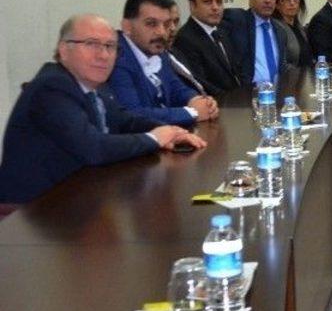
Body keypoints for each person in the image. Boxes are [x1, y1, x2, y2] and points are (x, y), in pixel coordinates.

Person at [0, 14, 206, 203]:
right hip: (33, 210)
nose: (104, 55)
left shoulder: (94, 83)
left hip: (79, 195)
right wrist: (154, 138)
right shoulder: (52, 87)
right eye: (91, 44)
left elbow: (124, 120)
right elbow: (94, 148)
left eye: (110, 46)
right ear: (63, 49)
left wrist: (171, 132)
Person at [108, 0, 219, 127]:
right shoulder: (115, 57)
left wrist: (197, 101)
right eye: (151, 24)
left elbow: (176, 88)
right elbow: (132, 114)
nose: (162, 32)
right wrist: (191, 113)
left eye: (166, 24)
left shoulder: (158, 51)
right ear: (127, 27)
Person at [172, 0, 241, 96]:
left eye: (219, 2)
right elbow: (200, 83)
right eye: (207, 2)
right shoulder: (185, 39)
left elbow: (235, 71)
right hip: (217, 102)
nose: (215, 7)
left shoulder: (223, 30)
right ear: (192, 6)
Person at [224, 0, 293, 84]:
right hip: (247, 91)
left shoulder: (280, 31)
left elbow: (282, 67)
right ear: (250, 0)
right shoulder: (237, 20)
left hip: (277, 90)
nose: (267, 0)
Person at [273, 0, 313, 68]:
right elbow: (281, 65)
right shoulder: (276, 29)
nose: (292, 3)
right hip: (290, 76)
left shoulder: (300, 28)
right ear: (277, 5)